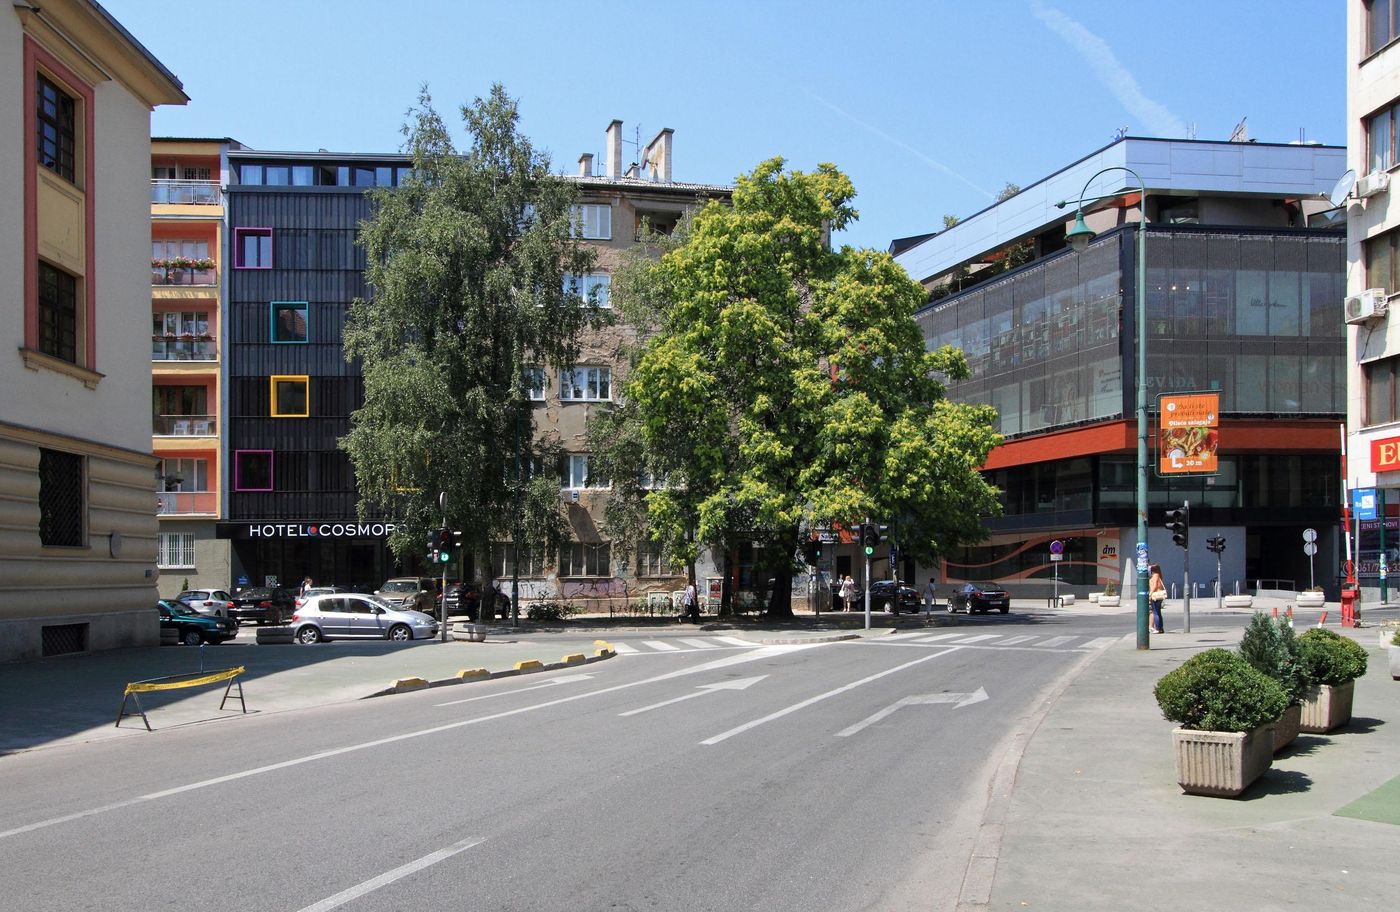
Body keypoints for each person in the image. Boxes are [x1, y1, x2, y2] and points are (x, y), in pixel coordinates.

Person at [1148, 564, 1167, 634]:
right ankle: (1160, 628)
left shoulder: (1155, 575)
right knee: (1158, 612)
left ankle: (1158, 628)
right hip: (1157, 595)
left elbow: (1155, 585)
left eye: (1150, 568)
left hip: (1156, 595)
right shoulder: (1157, 575)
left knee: (1155, 612)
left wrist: (1150, 593)